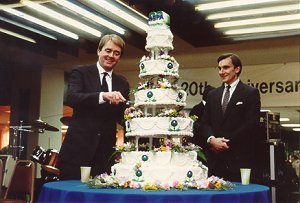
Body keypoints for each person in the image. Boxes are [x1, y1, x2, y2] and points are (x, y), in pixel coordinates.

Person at [58, 34, 130, 180]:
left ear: (120, 57)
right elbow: (71, 97)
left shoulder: (122, 83)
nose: (111, 56)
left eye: (116, 53)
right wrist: (103, 96)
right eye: (108, 51)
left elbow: (120, 116)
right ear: (99, 51)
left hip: (104, 155)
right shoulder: (81, 73)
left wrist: (129, 114)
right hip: (77, 152)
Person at [194, 53, 261, 182]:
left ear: (237, 69)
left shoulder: (250, 93)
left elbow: (250, 124)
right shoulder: (212, 95)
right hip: (214, 161)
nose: (221, 72)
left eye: (225, 67)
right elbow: (204, 123)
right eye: (219, 68)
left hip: (239, 160)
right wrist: (212, 140)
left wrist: (225, 143)